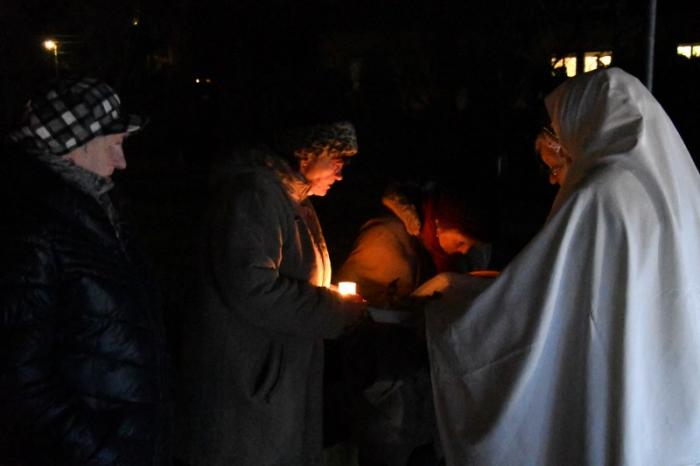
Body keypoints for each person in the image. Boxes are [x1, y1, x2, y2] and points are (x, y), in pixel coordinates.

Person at [425, 67, 700, 465]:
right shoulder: (679, 191)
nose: (556, 175)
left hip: (611, 373)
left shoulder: (599, 193)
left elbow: (540, 300)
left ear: (587, 121)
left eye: (564, 132)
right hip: (672, 390)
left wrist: (450, 309)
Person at [175, 120, 367, 466]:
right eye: (337, 161)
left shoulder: (293, 200)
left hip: (273, 378)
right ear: (306, 154)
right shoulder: (254, 197)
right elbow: (252, 287)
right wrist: (334, 311)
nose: (340, 174)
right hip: (249, 380)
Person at [0, 77, 171, 465]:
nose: (122, 162)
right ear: (72, 146)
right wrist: (97, 450)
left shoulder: (97, 209)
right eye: (114, 145)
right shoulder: (32, 229)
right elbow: (19, 376)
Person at [337, 182, 492, 307]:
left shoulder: (449, 257)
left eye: (470, 245)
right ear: (439, 225)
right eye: (460, 242)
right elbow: (364, 303)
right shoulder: (387, 238)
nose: (464, 250)